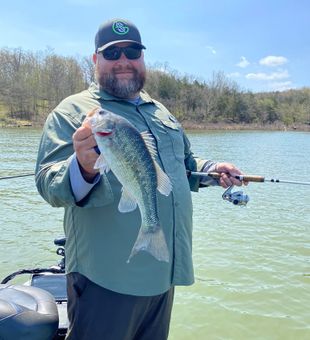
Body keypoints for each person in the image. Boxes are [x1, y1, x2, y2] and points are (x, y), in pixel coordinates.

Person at [35, 18, 245, 340]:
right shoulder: (73, 111)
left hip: (164, 271)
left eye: (132, 52)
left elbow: (184, 164)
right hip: (106, 278)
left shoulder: (160, 111)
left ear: (142, 58)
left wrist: (214, 170)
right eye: (112, 53)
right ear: (95, 60)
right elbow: (49, 183)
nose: (123, 61)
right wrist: (84, 166)